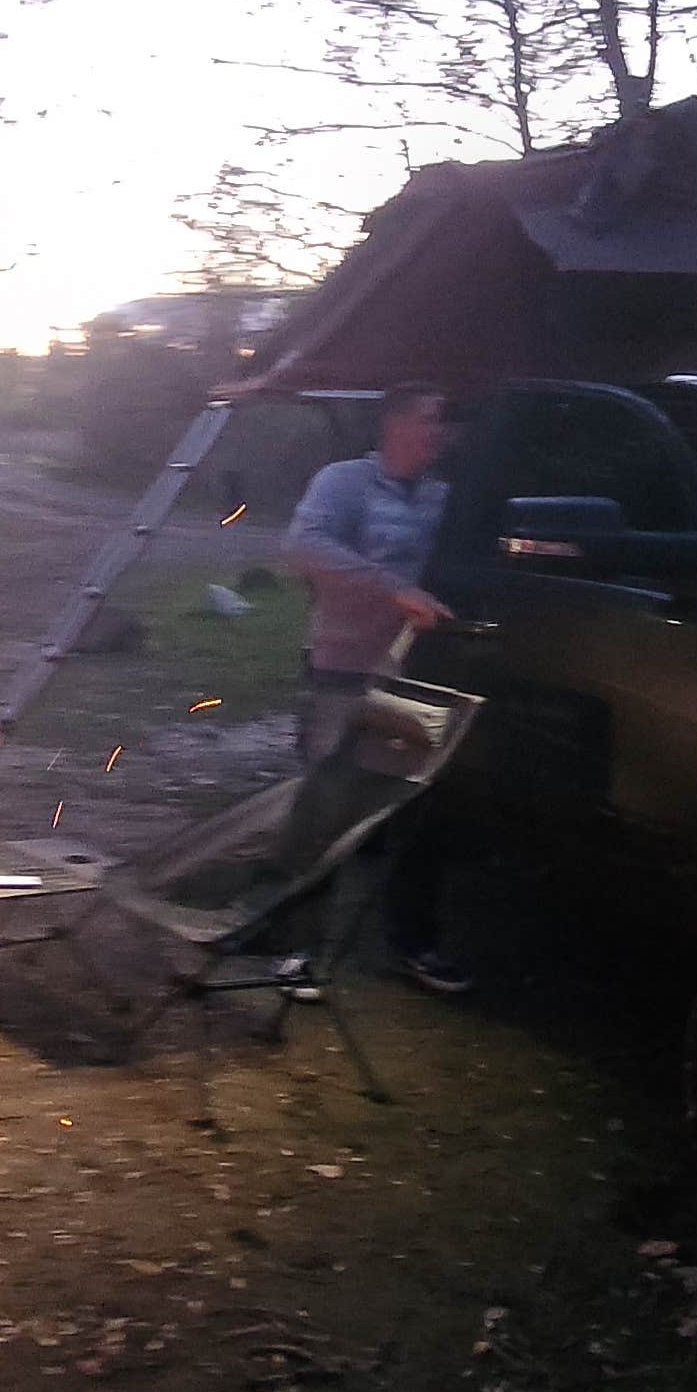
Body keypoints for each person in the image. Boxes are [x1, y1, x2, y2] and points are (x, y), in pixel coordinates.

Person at [277, 380, 465, 990]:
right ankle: (299, 951)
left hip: (417, 675)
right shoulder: (344, 482)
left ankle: (415, 945)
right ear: (394, 424)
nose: (440, 432)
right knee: (325, 808)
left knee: (420, 812)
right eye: (429, 418)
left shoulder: (448, 496)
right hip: (342, 665)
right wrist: (394, 588)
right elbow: (304, 544)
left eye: (445, 423)